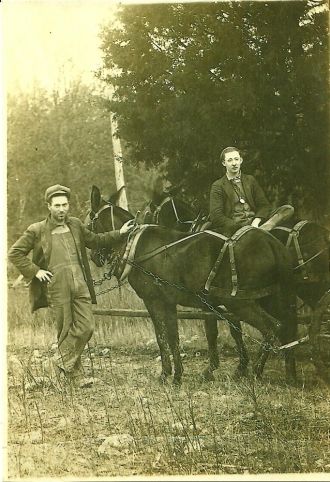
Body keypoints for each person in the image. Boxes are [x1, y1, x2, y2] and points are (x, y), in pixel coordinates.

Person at [8, 184, 135, 388]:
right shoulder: (37, 230)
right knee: (65, 330)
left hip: (80, 284)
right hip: (57, 287)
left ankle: (56, 365)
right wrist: (35, 271)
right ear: (48, 206)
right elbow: (15, 253)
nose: (61, 210)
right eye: (57, 205)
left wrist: (119, 232)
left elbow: (96, 240)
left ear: (68, 206)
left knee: (87, 327)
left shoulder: (75, 225)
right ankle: (74, 377)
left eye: (65, 205)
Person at [209, 146, 294, 236]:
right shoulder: (218, 185)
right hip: (236, 227)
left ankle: (262, 230)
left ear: (241, 160)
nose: (234, 163)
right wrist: (237, 226)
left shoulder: (250, 180)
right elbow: (216, 216)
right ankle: (256, 233)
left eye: (236, 159)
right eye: (230, 160)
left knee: (288, 209)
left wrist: (256, 221)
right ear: (224, 163)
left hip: (257, 224)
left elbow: (264, 205)